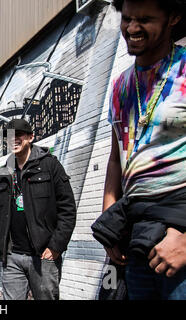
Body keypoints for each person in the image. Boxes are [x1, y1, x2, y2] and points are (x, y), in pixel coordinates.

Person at [92, 0, 186, 300]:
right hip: (136, 234)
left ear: (173, 17)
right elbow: (115, 160)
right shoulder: (121, 85)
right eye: (128, 18)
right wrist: (110, 226)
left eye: (144, 19)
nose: (132, 28)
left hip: (178, 233)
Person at [0, 118, 77, 300]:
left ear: (31, 137)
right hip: (12, 257)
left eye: (19, 135)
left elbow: (68, 209)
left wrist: (56, 246)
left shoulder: (50, 166)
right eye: (10, 136)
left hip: (42, 257)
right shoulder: (2, 174)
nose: (14, 139)